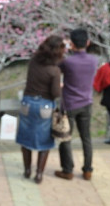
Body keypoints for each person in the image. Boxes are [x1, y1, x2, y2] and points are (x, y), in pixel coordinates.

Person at [16, 35, 65, 184]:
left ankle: (27, 170)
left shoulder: (33, 62)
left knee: (26, 138)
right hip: (44, 106)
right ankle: (39, 174)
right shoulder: (54, 70)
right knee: (44, 141)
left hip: (27, 103)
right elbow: (56, 93)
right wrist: (61, 87)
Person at [55, 28, 98, 181]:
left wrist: (64, 48)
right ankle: (87, 170)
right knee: (86, 138)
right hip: (87, 103)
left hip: (69, 104)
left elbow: (55, 67)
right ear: (87, 43)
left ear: (71, 44)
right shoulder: (94, 60)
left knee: (66, 137)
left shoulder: (67, 62)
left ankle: (68, 170)